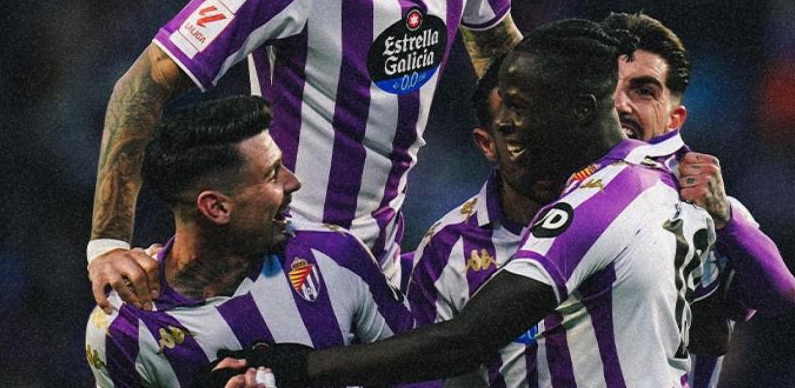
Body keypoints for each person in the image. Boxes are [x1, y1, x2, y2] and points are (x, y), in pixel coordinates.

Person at [88, 0, 523, 312]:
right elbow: (144, 82)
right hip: (285, 269)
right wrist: (108, 243)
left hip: (381, 265)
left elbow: (498, 51)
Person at [209, 19, 718, 388]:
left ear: (579, 110)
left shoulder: (601, 200)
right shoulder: (657, 182)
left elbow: (469, 338)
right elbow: (725, 311)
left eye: (522, 106)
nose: (510, 124)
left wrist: (295, 370)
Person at [84, 96, 413, 387]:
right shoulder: (122, 331)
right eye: (273, 174)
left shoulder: (333, 255)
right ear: (217, 207)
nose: (293, 182)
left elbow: (418, 373)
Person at [600, 12, 795, 388]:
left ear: (675, 119)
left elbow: (779, 293)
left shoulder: (702, 210)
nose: (621, 103)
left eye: (644, 91)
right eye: (611, 85)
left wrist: (726, 219)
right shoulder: (558, 193)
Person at [406, 53, 543, 388]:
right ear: (487, 144)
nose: (534, 146)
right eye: (511, 132)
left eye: (541, 125)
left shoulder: (619, 205)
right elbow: (421, 375)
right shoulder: (447, 249)